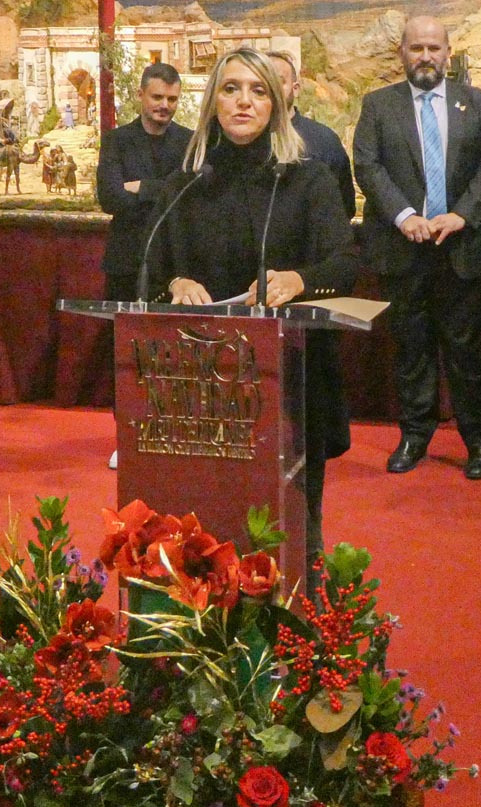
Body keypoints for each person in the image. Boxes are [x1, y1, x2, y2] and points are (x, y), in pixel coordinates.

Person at [147, 47, 357, 590]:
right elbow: (145, 271)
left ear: (278, 103)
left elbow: (346, 262)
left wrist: (298, 281)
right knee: (204, 533)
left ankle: (298, 640)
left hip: (291, 389)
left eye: (258, 90)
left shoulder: (307, 182)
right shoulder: (184, 185)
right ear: (212, 100)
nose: (243, 101)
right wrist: (174, 283)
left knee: (292, 537)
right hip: (203, 396)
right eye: (231, 88)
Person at [353, 15, 481, 480]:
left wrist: (462, 214)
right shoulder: (378, 105)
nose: (425, 57)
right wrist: (405, 217)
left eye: (434, 48)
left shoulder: (477, 104)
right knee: (411, 350)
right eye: (416, 48)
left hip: (462, 248)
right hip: (404, 249)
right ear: (402, 52)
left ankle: (479, 441)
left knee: (466, 352)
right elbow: (368, 165)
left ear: (448, 52)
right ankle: (414, 436)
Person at [96, 62, 193, 469]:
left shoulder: (190, 141)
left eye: (172, 99)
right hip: (126, 263)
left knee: (175, 355)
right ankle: (128, 436)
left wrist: (143, 188)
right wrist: (163, 190)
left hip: (176, 263)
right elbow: (110, 199)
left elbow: (189, 195)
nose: (164, 106)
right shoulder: (117, 141)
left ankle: (175, 432)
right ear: (141, 96)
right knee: (126, 356)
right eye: (158, 98)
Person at [266, 50, 356, 217]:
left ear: (296, 89)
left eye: (278, 81)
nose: (271, 89)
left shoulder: (324, 140)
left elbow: (344, 207)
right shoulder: (244, 140)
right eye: (263, 83)